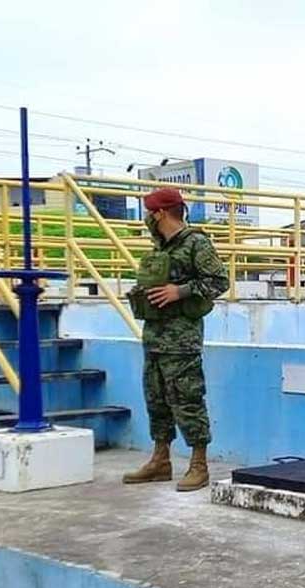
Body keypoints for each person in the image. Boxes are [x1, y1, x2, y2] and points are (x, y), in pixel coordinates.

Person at [123, 187, 229, 492]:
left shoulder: (196, 243)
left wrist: (178, 291)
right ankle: (160, 460)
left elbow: (219, 281)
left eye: (149, 213)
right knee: (156, 400)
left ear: (160, 214)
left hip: (182, 341)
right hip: (154, 337)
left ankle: (199, 465)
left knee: (188, 399)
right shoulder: (160, 249)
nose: (147, 220)